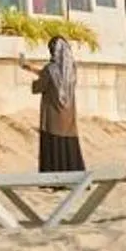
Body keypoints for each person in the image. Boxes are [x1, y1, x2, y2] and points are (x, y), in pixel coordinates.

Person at [34, 35, 85, 173]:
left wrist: (35, 78)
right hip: (69, 117)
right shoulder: (72, 69)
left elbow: (38, 87)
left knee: (53, 147)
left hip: (52, 117)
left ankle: (54, 180)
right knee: (69, 147)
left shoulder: (50, 69)